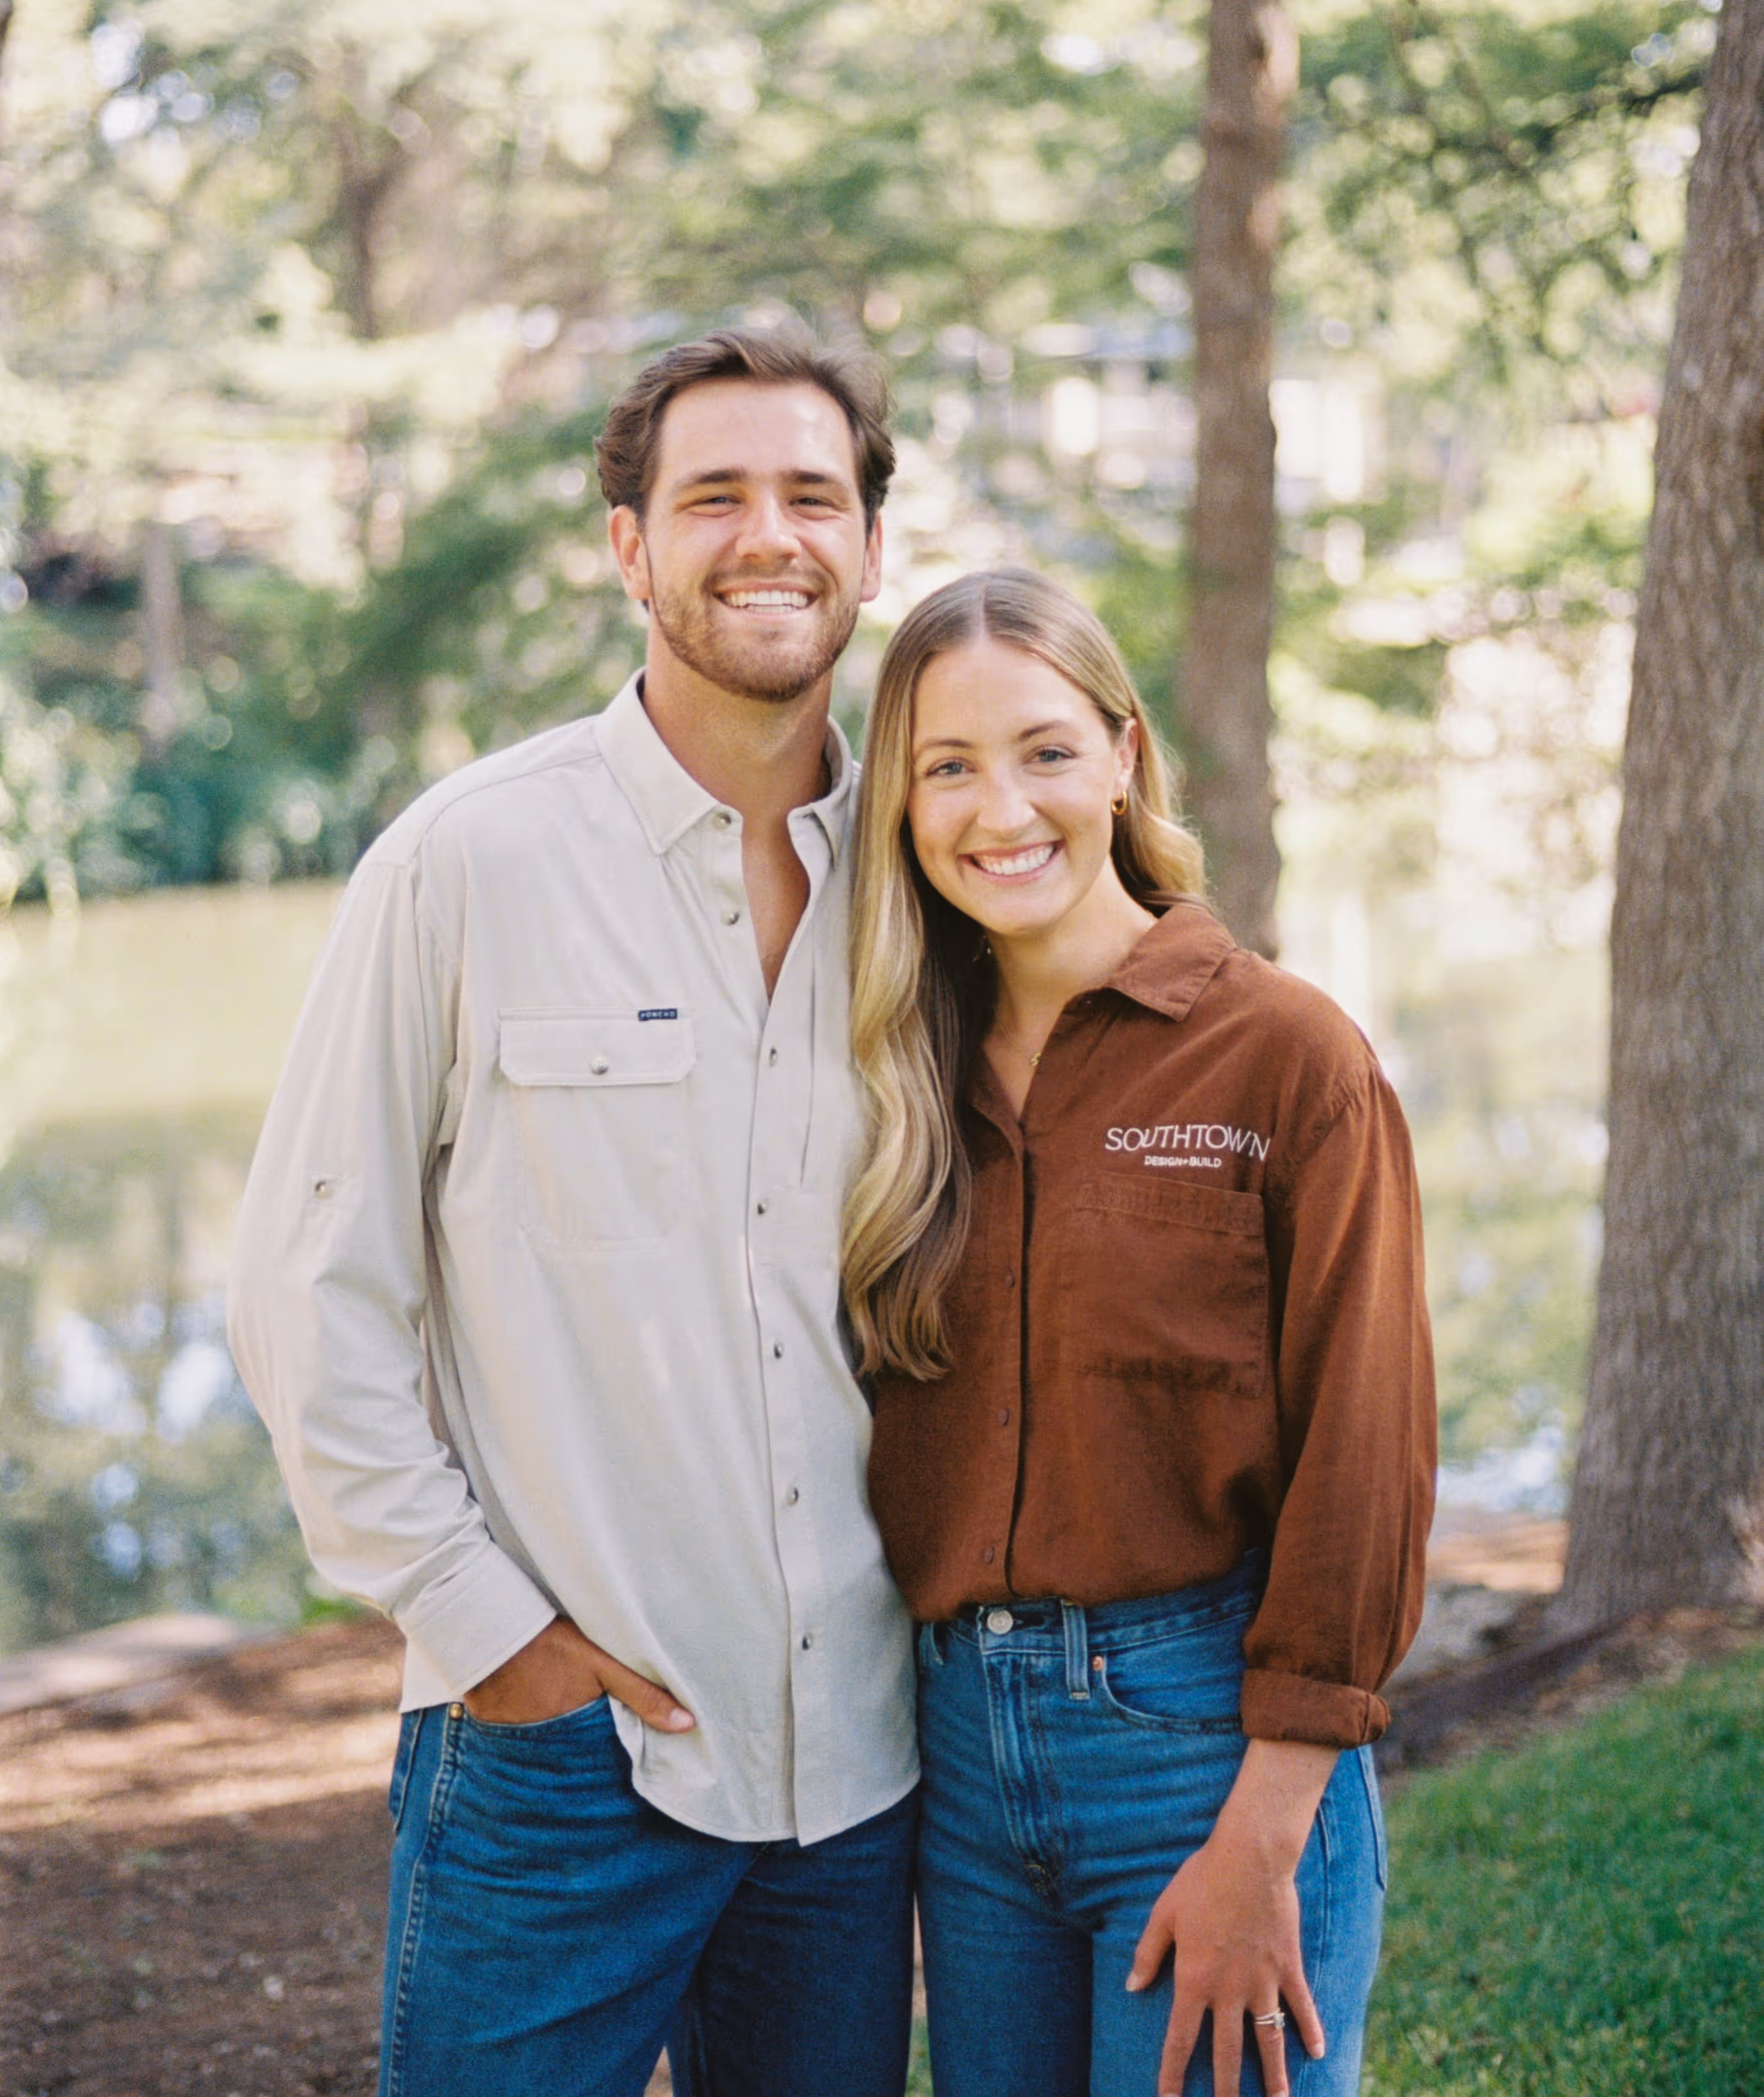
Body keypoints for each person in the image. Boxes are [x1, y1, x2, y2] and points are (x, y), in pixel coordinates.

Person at [227, 324, 920, 2097]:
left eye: (811, 495)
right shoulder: (467, 862)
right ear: (628, 544)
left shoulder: (931, 893)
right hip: (557, 1755)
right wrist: (491, 1639)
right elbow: (312, 1294)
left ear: (868, 540)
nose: (768, 534)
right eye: (714, 497)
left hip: (851, 1764)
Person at [841, 568, 1435, 2097]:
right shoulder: (892, 1069)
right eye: (946, 768)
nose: (999, 808)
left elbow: (1363, 1460)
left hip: (1201, 1740)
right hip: (959, 1759)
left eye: (1042, 750)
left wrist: (1265, 1836)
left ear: (1121, 754)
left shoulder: (1284, 1057)